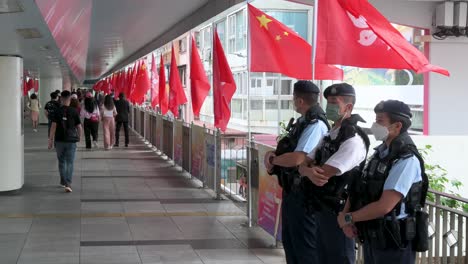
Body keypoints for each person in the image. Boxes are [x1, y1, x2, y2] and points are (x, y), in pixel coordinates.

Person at [337, 100, 429, 264]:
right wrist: (346, 215)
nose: (374, 125)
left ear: (397, 126)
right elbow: (359, 187)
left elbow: (384, 206)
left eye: (380, 121)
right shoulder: (380, 153)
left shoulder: (406, 159)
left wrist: (349, 218)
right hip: (373, 235)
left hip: (394, 239)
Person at [298, 83, 370, 264]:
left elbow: (323, 173)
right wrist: (307, 170)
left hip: (340, 211)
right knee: (321, 257)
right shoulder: (330, 134)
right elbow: (303, 163)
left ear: (349, 107)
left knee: (339, 257)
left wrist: (308, 170)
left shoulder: (353, 140)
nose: (329, 107)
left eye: (334, 103)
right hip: (321, 206)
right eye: (328, 102)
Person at [264, 81, 329, 264]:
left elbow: (297, 158)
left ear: (299, 100)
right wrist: (273, 155)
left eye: (294, 99)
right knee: (291, 242)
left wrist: (273, 161)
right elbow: (288, 148)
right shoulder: (303, 122)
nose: (293, 102)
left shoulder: (315, 125)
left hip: (305, 194)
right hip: (293, 190)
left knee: (304, 247)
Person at [48, 90, 82, 192]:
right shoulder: (74, 111)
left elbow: (53, 126)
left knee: (61, 161)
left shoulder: (57, 111)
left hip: (59, 141)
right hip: (71, 141)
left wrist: (50, 140)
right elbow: (79, 127)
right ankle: (68, 183)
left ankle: (63, 181)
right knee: (70, 163)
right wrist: (79, 137)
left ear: (61, 99)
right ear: (70, 99)